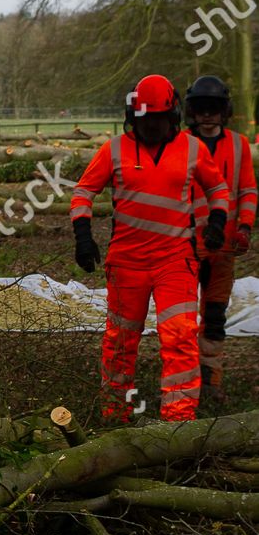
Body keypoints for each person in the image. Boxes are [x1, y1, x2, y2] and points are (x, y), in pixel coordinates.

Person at [70, 75, 230, 422]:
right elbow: (83, 192)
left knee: (180, 338)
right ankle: (115, 413)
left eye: (158, 120)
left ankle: (178, 423)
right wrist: (83, 235)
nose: (152, 127)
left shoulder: (192, 149)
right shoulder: (114, 149)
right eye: (145, 121)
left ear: (172, 116)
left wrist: (217, 223)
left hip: (176, 261)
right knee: (120, 341)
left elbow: (218, 188)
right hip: (127, 263)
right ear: (133, 117)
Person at [184, 76, 255, 403]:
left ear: (223, 111)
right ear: (192, 113)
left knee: (214, 316)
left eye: (213, 109)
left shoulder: (239, 144)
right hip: (184, 245)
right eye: (202, 109)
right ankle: (182, 380)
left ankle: (211, 382)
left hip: (224, 245)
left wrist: (246, 226)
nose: (208, 116)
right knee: (182, 318)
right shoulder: (178, 144)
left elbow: (248, 190)